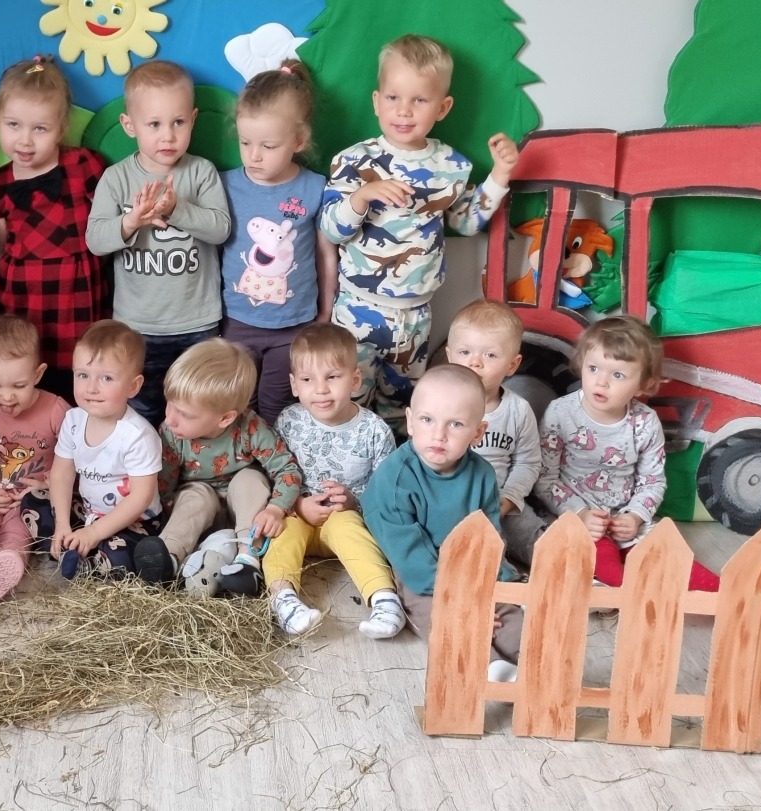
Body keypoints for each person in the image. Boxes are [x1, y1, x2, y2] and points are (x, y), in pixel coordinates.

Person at [318, 35, 520, 428]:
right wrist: (362, 196)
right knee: (348, 400)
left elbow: (465, 222)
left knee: (403, 405)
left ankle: (400, 459)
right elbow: (331, 228)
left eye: (420, 100)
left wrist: (500, 175)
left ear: (442, 107)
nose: (404, 110)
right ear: (377, 101)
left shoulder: (451, 165)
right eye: (393, 97)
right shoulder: (355, 160)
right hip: (358, 309)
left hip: (416, 314)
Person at [86, 60, 233, 425]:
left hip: (197, 323)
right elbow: (95, 241)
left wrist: (177, 209)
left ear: (193, 120)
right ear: (129, 125)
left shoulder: (201, 172)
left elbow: (220, 230)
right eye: (154, 124)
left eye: (178, 122)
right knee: (143, 410)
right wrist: (131, 221)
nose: (168, 136)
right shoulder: (116, 178)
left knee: (197, 408)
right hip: (137, 326)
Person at [534, 316, 721, 591]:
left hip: (625, 516)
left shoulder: (644, 422)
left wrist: (635, 516)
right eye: (594, 368)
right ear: (582, 364)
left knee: (674, 560)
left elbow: (652, 481)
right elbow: (545, 477)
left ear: (643, 384)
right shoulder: (561, 412)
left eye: (618, 375)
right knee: (604, 565)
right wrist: (580, 513)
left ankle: (728, 594)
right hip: (575, 515)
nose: (601, 382)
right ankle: (631, 592)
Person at [362, 364, 523, 682]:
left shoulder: (482, 474)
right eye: (427, 419)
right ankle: (489, 665)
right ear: (410, 421)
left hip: (468, 565)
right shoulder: (395, 478)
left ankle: (532, 659)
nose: (439, 434)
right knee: (441, 616)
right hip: (421, 572)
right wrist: (460, 598)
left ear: (478, 432)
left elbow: (489, 534)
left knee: (503, 609)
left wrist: (492, 583)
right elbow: (408, 554)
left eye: (456, 424)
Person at [0, 56, 109, 398]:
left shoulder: (83, 165)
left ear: (61, 128)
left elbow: (108, 224)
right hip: (23, 295)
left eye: (40, 129)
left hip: (76, 294)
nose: (25, 140)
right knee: (23, 373)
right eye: (13, 125)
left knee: (78, 377)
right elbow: (0, 248)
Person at [220, 59, 339, 425]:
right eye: (245, 142)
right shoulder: (225, 185)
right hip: (238, 321)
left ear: (298, 141)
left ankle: (274, 459)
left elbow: (326, 254)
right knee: (238, 403)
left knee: (276, 407)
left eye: (268, 145)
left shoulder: (314, 187)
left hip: (294, 324)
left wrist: (325, 312)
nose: (254, 155)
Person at [266, 324, 403, 637]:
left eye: (332, 377)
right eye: (307, 380)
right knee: (281, 532)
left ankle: (384, 600)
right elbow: (273, 472)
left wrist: (353, 502)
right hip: (297, 515)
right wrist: (295, 504)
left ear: (354, 380)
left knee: (348, 528)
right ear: (294, 384)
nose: (321, 389)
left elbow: (387, 493)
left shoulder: (373, 430)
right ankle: (284, 600)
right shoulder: (289, 421)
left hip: (343, 519)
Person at [151, 340, 304, 596]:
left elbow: (287, 469)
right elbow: (164, 484)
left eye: (185, 414)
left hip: (243, 513)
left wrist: (276, 509)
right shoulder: (171, 432)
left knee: (250, 479)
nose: (169, 418)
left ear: (225, 418)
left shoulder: (250, 428)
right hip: (197, 513)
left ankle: (247, 560)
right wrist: (168, 517)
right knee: (195, 495)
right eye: (170, 403)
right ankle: (168, 557)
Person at [40, 320, 165, 579]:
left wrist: (95, 533)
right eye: (83, 375)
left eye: (106, 378)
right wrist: (62, 522)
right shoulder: (73, 420)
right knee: (34, 501)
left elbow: (140, 498)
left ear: (133, 386)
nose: (91, 388)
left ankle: (85, 557)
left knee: (121, 554)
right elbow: (61, 474)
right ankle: (68, 542)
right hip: (88, 512)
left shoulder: (137, 435)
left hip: (133, 521)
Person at [0, 316, 70, 601]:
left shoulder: (57, 410)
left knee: (18, 530)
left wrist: (44, 486)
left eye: (19, 385)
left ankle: (7, 565)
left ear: (38, 374)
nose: (7, 397)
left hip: (30, 500)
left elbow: (74, 461)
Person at [444, 300, 544, 570]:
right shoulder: (438, 403)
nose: (475, 362)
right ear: (450, 355)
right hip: (448, 501)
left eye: (490, 355)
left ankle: (565, 571)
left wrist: (509, 498)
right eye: (465, 352)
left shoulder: (518, 410)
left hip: (500, 501)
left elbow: (529, 462)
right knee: (456, 551)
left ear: (512, 365)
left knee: (535, 538)